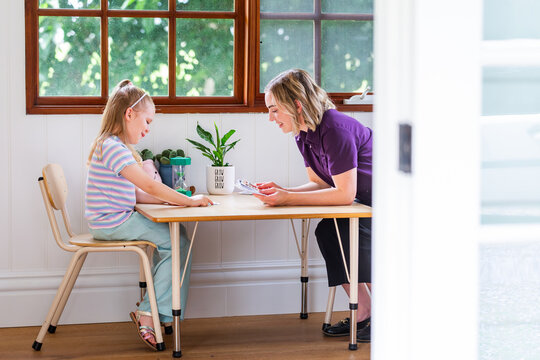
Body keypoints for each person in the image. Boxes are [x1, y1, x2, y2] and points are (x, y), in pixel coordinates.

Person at [84, 79, 213, 350]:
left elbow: (140, 194)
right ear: (129, 114)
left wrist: (179, 201)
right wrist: (188, 203)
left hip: (115, 218)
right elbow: (150, 185)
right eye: (148, 121)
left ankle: (158, 312)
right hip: (112, 222)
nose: (148, 129)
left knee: (177, 237)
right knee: (177, 242)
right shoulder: (112, 147)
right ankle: (149, 313)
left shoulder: (115, 146)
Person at [253, 69, 372, 342]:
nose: (270, 117)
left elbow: (343, 194)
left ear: (296, 105)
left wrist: (288, 198)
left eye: (274, 110)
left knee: (337, 231)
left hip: (389, 207)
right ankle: (364, 309)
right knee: (328, 230)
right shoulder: (302, 133)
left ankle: (380, 312)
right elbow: (319, 182)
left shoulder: (335, 128)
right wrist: (282, 190)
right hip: (363, 205)